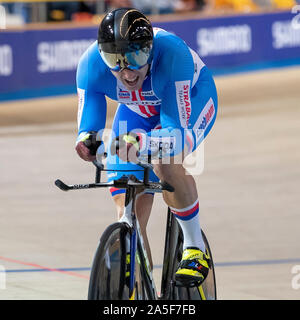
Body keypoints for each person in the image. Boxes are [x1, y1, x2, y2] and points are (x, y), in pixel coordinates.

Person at [75, 8, 218, 286]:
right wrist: (86, 142)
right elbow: (87, 126)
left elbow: (174, 132)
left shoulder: (172, 54)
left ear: (150, 50)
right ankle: (142, 286)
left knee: (165, 163)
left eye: (135, 58)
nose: (126, 72)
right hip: (137, 113)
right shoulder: (90, 64)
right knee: (127, 200)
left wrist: (145, 143)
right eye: (114, 61)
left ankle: (194, 247)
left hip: (190, 102)